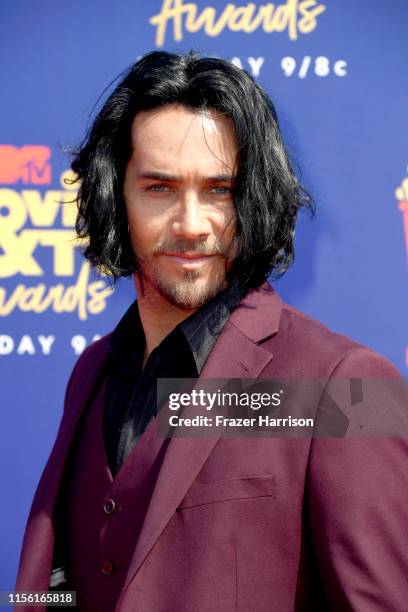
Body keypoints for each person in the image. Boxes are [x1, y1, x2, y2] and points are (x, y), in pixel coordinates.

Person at [15, 50, 408, 611]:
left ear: (251, 199)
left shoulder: (346, 386)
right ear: (114, 197)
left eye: (219, 190)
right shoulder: (92, 372)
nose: (192, 224)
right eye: (159, 188)